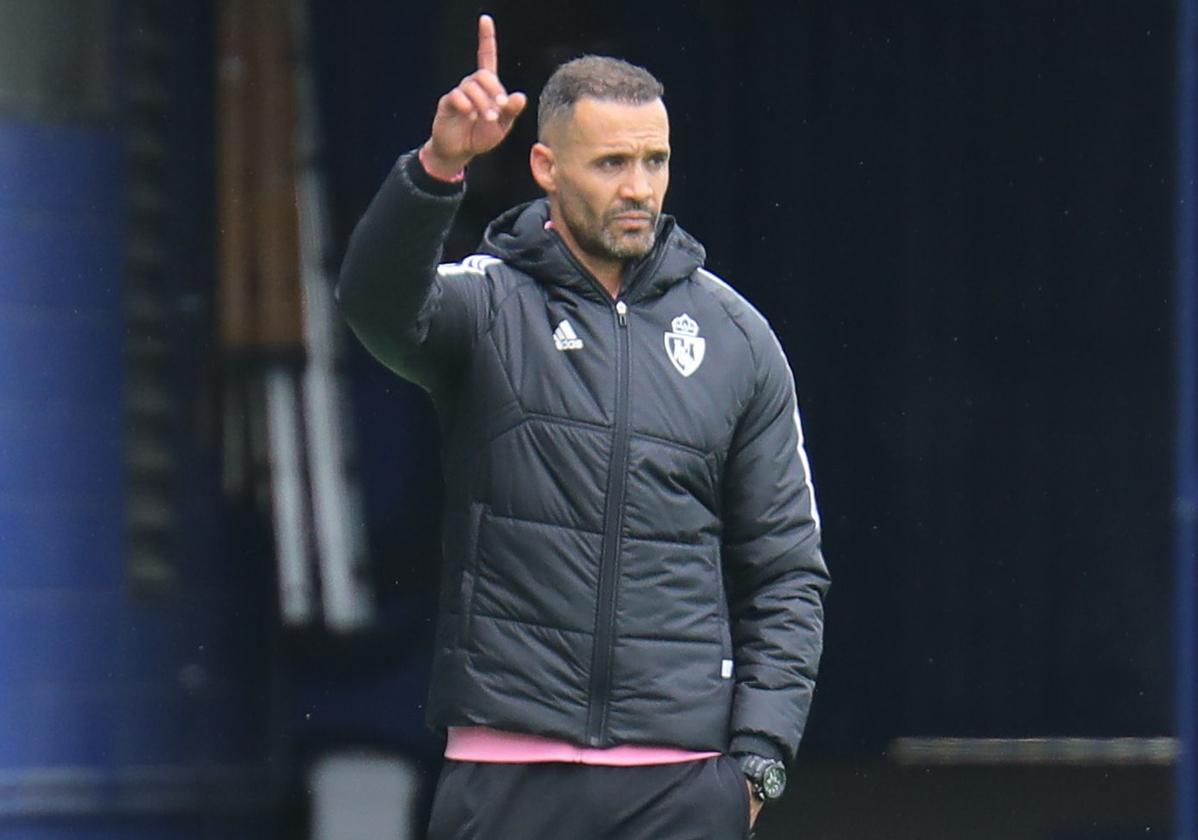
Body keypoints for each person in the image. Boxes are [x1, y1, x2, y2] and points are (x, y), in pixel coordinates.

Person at [337, 15, 829, 839]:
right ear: (545, 168)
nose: (639, 187)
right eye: (611, 163)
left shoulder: (737, 339)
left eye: (654, 160)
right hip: (507, 776)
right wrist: (438, 168)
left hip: (681, 786)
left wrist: (758, 760)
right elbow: (375, 306)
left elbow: (786, 570)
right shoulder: (486, 305)